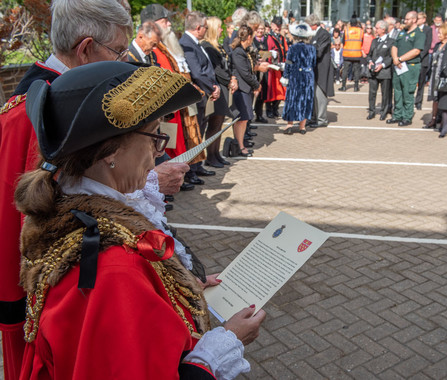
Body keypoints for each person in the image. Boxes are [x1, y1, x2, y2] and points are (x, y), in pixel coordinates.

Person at [15, 61, 266, 380]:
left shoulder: (67, 206)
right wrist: (226, 342)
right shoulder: (114, 267)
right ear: (110, 152)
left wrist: (175, 287)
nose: (158, 155)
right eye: (154, 137)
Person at [0, 1, 133, 379]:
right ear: (86, 48)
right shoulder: (45, 106)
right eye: (118, 51)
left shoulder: (56, 95)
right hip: (53, 288)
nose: (123, 62)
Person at [140, 4, 204, 193]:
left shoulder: (166, 46)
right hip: (168, 108)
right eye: (164, 20)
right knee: (168, 147)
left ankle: (182, 175)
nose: (168, 24)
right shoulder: (154, 49)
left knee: (178, 145)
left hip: (177, 106)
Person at [179, 11, 220, 185]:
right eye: (205, 27)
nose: (206, 30)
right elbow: (197, 72)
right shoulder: (186, 44)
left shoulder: (195, 43)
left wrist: (215, 86)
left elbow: (207, 69)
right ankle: (191, 170)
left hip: (205, 94)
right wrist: (212, 88)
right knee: (194, 134)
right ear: (198, 28)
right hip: (197, 96)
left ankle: (198, 165)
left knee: (200, 132)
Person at [202, 16, 238, 167]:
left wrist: (231, 77)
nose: (222, 30)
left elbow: (225, 66)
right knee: (214, 124)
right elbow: (217, 70)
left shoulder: (217, 46)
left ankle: (216, 153)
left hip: (223, 86)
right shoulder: (207, 46)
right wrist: (229, 79)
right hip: (218, 86)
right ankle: (211, 156)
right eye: (219, 27)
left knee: (219, 124)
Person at [389, 11, 426, 126]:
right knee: (398, 91)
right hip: (398, 66)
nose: (405, 21)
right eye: (405, 19)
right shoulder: (401, 32)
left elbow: (416, 51)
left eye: (407, 19)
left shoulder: (419, 34)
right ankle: (397, 114)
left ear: (414, 20)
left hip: (410, 66)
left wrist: (400, 59)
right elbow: (394, 46)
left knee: (408, 92)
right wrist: (395, 59)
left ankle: (407, 117)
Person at [281, 22, 317, 135]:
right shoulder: (312, 48)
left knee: (292, 99)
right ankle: (302, 126)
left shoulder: (293, 48)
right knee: (306, 99)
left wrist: (285, 76)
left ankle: (289, 125)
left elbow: (288, 64)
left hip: (295, 75)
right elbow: (314, 63)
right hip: (308, 75)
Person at [231, 26, 261, 156]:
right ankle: (240, 146)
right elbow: (244, 73)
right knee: (241, 119)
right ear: (248, 38)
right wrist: (256, 85)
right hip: (241, 89)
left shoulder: (244, 51)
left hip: (245, 88)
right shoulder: (238, 52)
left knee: (244, 119)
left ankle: (240, 142)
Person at [306, 13, 335, 128]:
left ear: (313, 24)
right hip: (313, 69)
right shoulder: (313, 35)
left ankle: (321, 119)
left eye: (309, 25)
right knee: (312, 95)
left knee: (320, 94)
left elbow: (319, 51)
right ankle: (314, 117)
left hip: (322, 68)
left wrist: (307, 54)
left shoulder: (324, 34)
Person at [424, 23, 447, 129]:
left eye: (441, 33)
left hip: (444, 75)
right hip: (434, 74)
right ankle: (433, 119)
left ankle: (443, 120)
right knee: (435, 98)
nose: (439, 35)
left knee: (443, 99)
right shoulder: (437, 45)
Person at [366, 20, 394, 120]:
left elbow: (391, 57)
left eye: (377, 28)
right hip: (373, 71)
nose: (375, 30)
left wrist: (382, 65)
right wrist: (369, 61)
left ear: (383, 29)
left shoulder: (391, 41)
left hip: (384, 71)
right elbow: (369, 55)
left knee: (385, 93)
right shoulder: (374, 41)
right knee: (372, 93)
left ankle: (384, 111)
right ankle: (371, 111)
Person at [266, 16, 288, 119]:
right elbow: (265, 53)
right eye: (276, 25)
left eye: (279, 26)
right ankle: (269, 110)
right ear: (272, 25)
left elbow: (286, 51)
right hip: (271, 68)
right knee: (271, 90)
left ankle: (275, 109)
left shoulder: (282, 38)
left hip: (281, 67)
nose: (278, 28)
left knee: (281, 90)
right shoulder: (268, 37)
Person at [339, 17, 364, 92]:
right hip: (357, 54)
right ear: (356, 23)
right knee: (356, 71)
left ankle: (343, 86)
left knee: (345, 70)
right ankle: (356, 87)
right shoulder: (361, 31)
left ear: (350, 23)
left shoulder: (346, 31)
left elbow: (343, 42)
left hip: (347, 54)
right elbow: (362, 42)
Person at [414, 12, 433, 111]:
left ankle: (418, 101)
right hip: (413, 59)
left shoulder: (428, 30)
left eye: (419, 18)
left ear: (424, 19)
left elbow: (427, 45)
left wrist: (419, 55)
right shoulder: (414, 29)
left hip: (423, 59)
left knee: (421, 82)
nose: (417, 20)